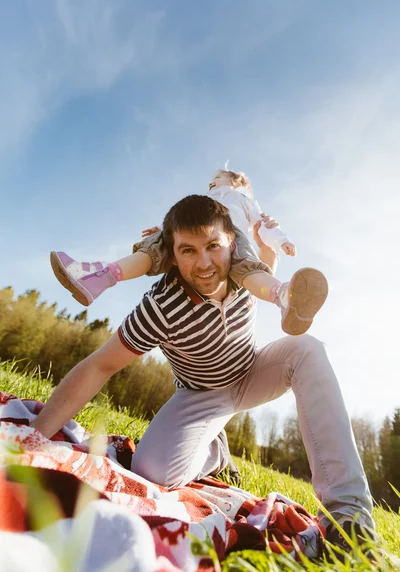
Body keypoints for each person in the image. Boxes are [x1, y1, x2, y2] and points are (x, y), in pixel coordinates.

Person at [33, 194, 374, 551]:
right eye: (188, 251)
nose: (204, 263)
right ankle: (215, 453)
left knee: (308, 348)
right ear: (171, 254)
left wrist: (264, 243)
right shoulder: (160, 307)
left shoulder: (246, 273)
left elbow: (266, 273)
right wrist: (37, 437)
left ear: (232, 242)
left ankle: (348, 515)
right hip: (201, 395)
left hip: (253, 371)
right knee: (152, 471)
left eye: (213, 246)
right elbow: (100, 365)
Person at [50, 169, 328, 336]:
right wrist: (163, 226)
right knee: (155, 247)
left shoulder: (244, 200)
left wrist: (281, 241)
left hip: (229, 235)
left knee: (247, 267)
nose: (211, 184)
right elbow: (183, 216)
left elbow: (264, 227)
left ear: (233, 180)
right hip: (192, 231)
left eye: (215, 178)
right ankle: (100, 276)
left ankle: (282, 296)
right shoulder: (207, 199)